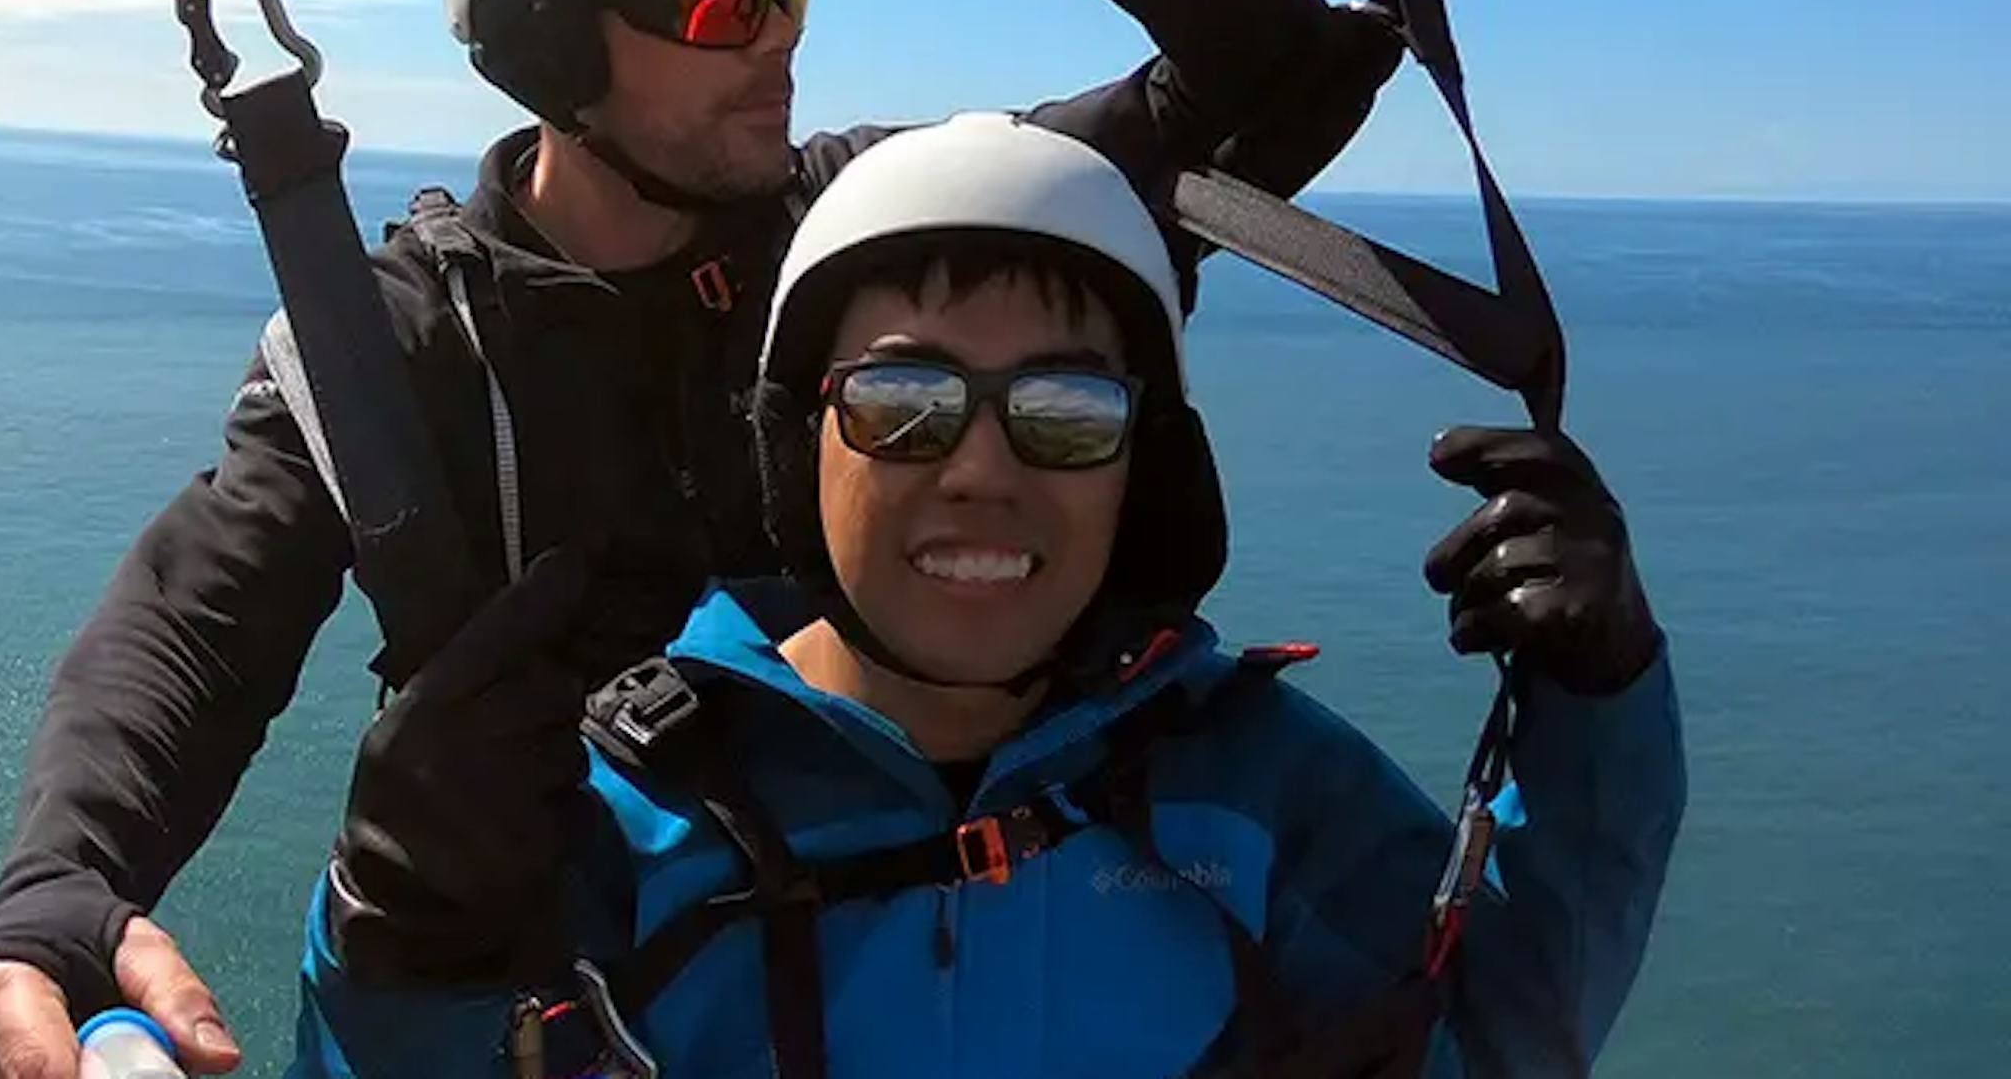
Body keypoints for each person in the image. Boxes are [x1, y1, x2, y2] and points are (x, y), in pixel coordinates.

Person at [0, 0, 1410, 1077]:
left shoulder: (876, 238)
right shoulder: (418, 347)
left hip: (981, 963)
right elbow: (197, 625)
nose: (774, 45)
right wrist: (61, 888)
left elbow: (1281, 77)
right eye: (716, 6)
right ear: (545, 39)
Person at [292, 111, 1683, 1078]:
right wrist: (394, 931)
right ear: (798, 445)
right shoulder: (616, 820)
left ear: (1145, 470)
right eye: (903, 402)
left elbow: (1499, 1036)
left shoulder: (1249, 790)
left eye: (1066, 413)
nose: (978, 471)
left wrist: (1594, 712)